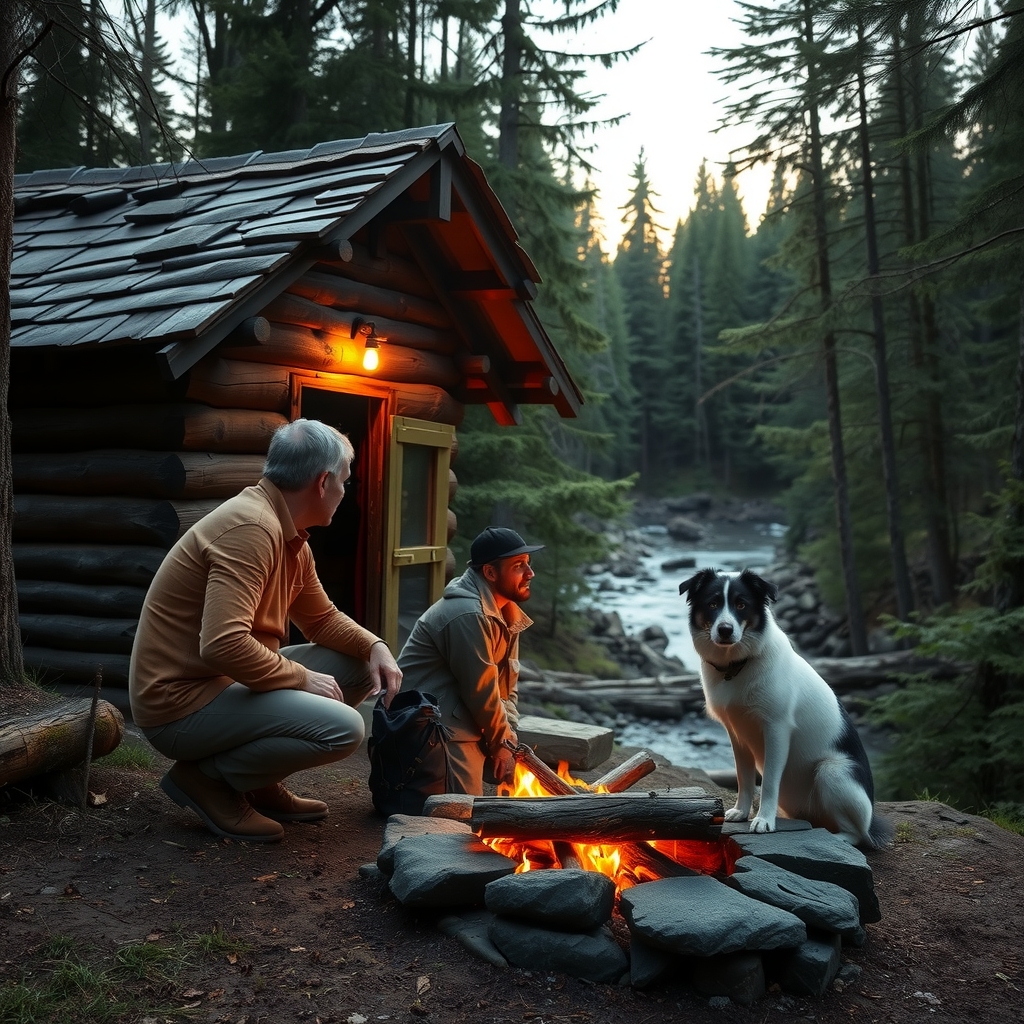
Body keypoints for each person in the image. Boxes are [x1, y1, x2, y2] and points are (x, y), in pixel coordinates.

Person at [129, 418, 402, 842]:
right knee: (344, 728)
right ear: (323, 481)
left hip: (224, 684)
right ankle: (209, 781)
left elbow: (322, 619)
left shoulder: (289, 536)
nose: (347, 493)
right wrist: (301, 677)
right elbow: (223, 643)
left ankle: (254, 780)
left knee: (358, 667)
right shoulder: (252, 529)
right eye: (345, 482)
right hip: (179, 704)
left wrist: (376, 646)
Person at [396, 527, 543, 795]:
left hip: (457, 717)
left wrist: (507, 739)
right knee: (460, 816)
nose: (530, 573)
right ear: (489, 572)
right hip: (428, 730)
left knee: (507, 775)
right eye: (519, 566)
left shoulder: (506, 611)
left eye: (528, 564)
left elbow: (507, 684)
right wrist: (501, 743)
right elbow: (482, 692)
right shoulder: (467, 614)